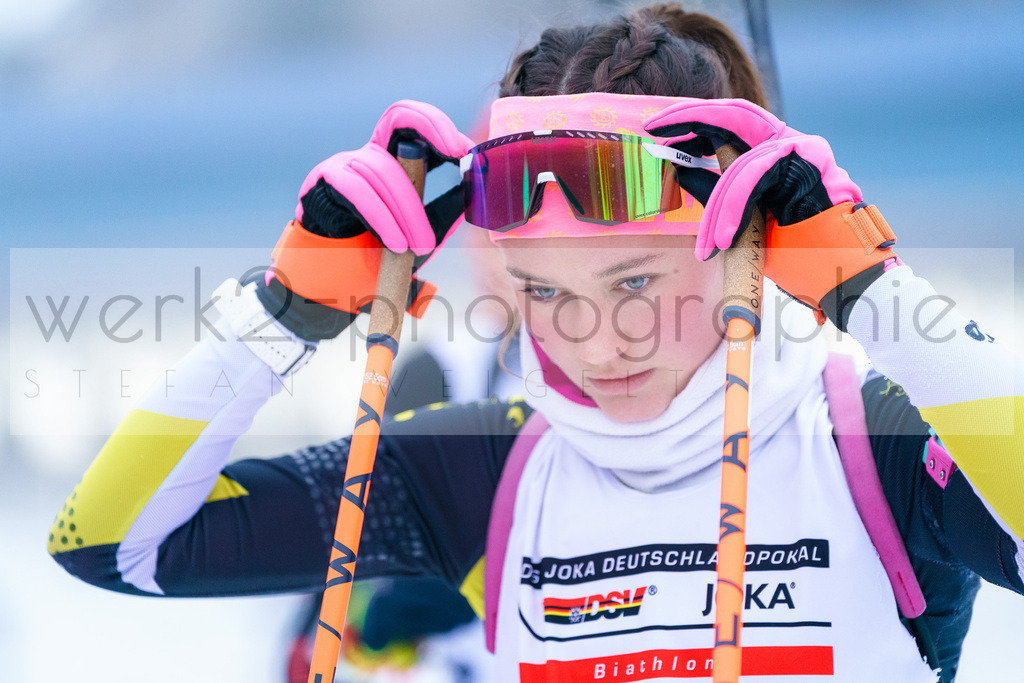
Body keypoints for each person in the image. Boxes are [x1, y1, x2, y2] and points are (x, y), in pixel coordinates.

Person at [47, 4, 1023, 682]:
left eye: (636, 280)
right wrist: (283, 311)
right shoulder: (479, 467)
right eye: (544, 290)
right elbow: (108, 543)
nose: (596, 339)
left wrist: (874, 291)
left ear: (751, 247)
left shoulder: (870, 444)